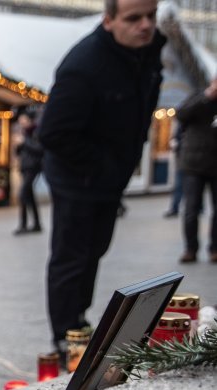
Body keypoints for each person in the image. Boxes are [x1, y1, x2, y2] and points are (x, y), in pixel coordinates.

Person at [38, 0, 165, 364]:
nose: (145, 26)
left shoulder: (148, 52)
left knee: (94, 251)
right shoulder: (85, 64)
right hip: (76, 178)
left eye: (151, 17)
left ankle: (79, 321)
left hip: (109, 178)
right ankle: (65, 335)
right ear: (108, 20)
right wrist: (104, 167)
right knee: (71, 257)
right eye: (133, 18)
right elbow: (54, 133)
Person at [174, 76, 217, 263]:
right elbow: (181, 114)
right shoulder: (198, 97)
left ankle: (215, 249)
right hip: (194, 164)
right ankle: (190, 249)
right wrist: (207, 97)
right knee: (191, 209)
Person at [13, 111, 44, 234]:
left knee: (23, 194)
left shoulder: (36, 132)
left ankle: (23, 224)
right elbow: (19, 153)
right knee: (29, 196)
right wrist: (18, 145)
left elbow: (39, 149)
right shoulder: (24, 133)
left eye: (24, 121)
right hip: (24, 167)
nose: (22, 123)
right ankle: (36, 224)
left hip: (33, 167)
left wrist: (24, 142)